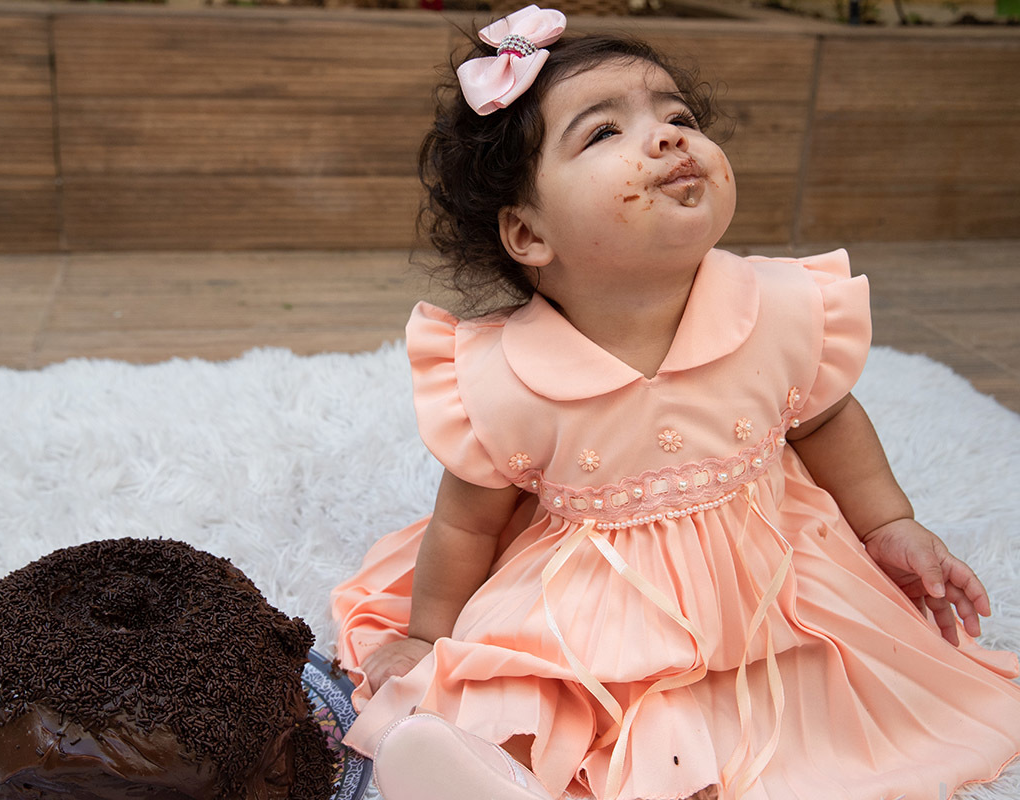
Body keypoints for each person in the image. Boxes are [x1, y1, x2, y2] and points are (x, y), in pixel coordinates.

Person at [330, 7, 1020, 800]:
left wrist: (889, 523)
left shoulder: (780, 308)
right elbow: (467, 521)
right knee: (528, 676)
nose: (666, 137)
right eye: (602, 134)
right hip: (593, 591)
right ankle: (483, 767)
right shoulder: (508, 375)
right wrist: (425, 636)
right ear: (527, 234)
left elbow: (826, 418)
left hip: (769, 582)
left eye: (678, 116)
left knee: (815, 684)